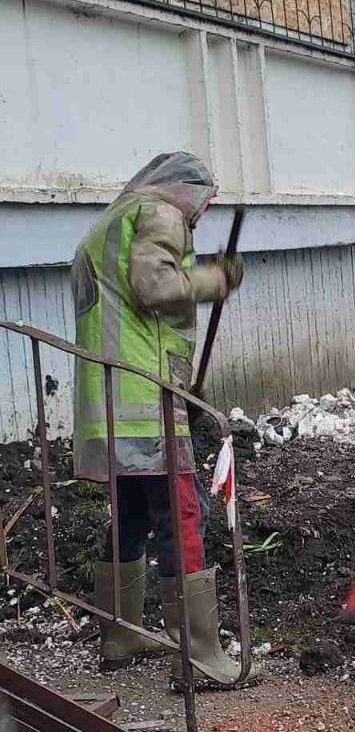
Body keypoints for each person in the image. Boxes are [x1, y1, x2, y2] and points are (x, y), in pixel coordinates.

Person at [71, 152, 258, 688]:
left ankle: (121, 633)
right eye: (202, 205)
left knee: (130, 511)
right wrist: (213, 278)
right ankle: (199, 654)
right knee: (183, 511)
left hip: (107, 403)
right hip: (144, 400)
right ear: (187, 190)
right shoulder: (160, 211)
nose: (198, 219)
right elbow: (154, 287)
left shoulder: (108, 223)